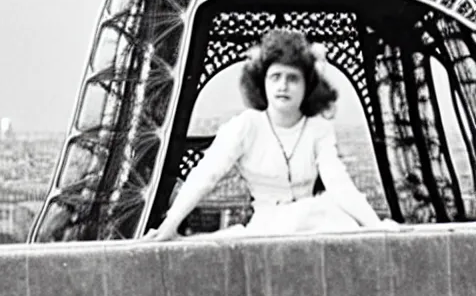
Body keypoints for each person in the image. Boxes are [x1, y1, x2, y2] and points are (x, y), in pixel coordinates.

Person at [143, 29, 398, 241]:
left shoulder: (318, 129)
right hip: (267, 226)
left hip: (316, 223)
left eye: (292, 78)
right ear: (262, 82)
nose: (283, 86)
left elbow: (339, 183)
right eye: (275, 77)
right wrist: (170, 224)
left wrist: (375, 225)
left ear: (307, 86)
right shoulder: (246, 126)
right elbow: (206, 174)